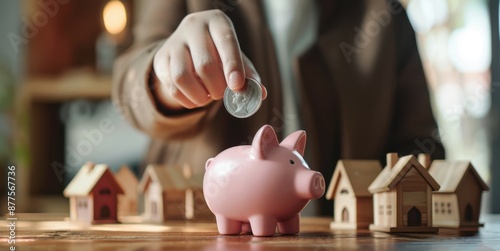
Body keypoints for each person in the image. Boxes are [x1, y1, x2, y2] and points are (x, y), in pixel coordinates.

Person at [112, 0, 445, 216]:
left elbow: (420, 145)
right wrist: (163, 78)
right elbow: (129, 83)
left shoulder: (384, 14)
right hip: (199, 247)